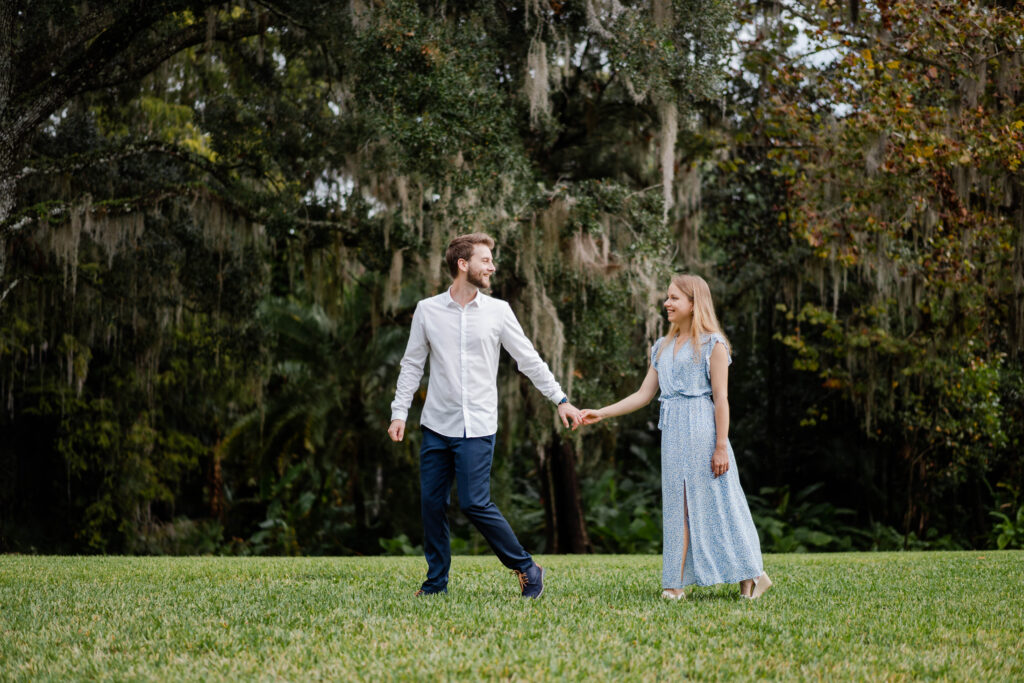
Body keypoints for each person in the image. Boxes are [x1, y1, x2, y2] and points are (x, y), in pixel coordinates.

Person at [388, 232, 582, 598]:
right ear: (463, 265)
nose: (492, 266)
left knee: (475, 502)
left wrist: (560, 399)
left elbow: (528, 359)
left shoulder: (499, 311)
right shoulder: (427, 310)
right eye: (485, 260)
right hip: (435, 425)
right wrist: (400, 413)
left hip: (477, 425)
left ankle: (527, 567)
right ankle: (435, 584)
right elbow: (412, 364)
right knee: (431, 505)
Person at [579, 274, 772, 600]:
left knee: (717, 504)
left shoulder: (714, 344)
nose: (666, 303)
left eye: (674, 298)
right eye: (667, 297)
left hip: (702, 430)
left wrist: (721, 446)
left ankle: (751, 576)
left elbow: (722, 399)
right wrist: (602, 412)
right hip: (672, 432)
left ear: (694, 303)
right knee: (676, 508)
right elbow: (643, 395)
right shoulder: (662, 346)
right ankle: (674, 584)